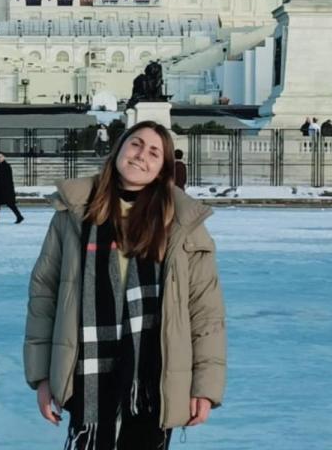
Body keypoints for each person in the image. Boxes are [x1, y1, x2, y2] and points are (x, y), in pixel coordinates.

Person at [24, 121, 226, 450]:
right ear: (119, 148)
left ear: (162, 169)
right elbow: (44, 296)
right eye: (136, 144)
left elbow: (205, 310)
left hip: (154, 379)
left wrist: (205, 386)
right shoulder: (73, 213)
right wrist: (43, 376)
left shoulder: (183, 223)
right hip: (86, 375)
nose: (141, 155)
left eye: (154, 152)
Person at [0, 152, 24, 224]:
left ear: (4, 157)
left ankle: (19, 216)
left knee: (10, 204)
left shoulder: (6, 166)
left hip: (5, 188)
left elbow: (7, 178)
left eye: (0, 157)